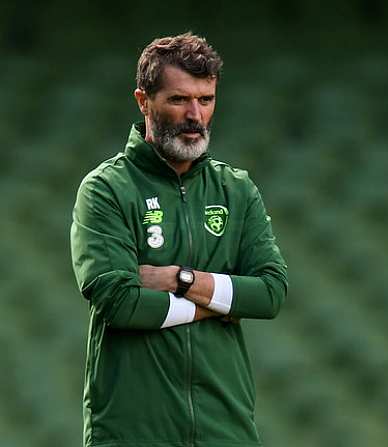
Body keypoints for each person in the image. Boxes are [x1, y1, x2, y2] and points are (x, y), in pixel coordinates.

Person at [70, 33, 288, 447]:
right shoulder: (105, 189)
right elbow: (122, 304)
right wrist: (221, 301)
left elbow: (271, 293)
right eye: (178, 100)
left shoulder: (236, 190)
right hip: (133, 433)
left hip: (226, 431)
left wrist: (181, 280)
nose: (195, 115)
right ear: (143, 101)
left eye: (205, 100)